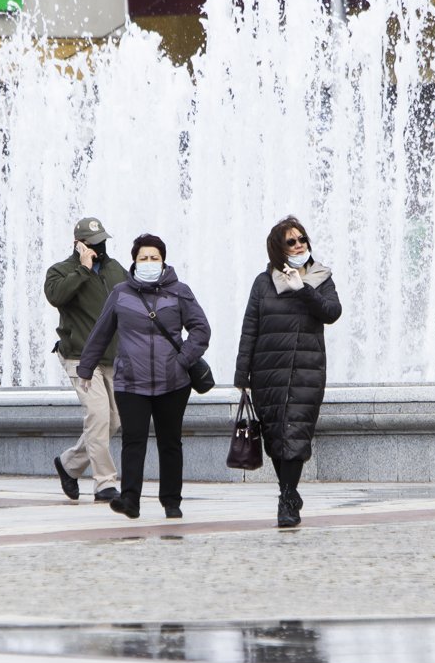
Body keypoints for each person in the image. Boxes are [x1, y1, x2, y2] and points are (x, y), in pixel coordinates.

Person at [77, 234, 210, 520]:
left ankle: (171, 501)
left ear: (163, 261)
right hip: (131, 382)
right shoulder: (121, 293)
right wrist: (85, 368)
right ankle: (130, 500)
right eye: (143, 258)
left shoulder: (179, 292)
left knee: (170, 442)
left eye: (154, 258)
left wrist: (182, 360)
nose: (149, 263)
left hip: (173, 382)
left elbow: (201, 330)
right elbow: (101, 332)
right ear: (134, 261)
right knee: (133, 441)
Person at [235, 217, 342, 528]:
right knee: (275, 439)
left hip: (306, 371)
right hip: (268, 372)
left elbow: (332, 312)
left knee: (295, 434)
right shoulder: (263, 282)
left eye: (302, 240)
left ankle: (287, 500)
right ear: (278, 250)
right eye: (291, 242)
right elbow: (249, 329)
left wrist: (304, 291)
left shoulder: (321, 277)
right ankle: (289, 494)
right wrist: (242, 376)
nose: (299, 246)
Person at [44, 216, 128, 503]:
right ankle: (105, 483)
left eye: (101, 241)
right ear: (78, 244)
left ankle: (69, 464)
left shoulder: (117, 269)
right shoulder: (61, 271)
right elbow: (56, 297)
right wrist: (83, 269)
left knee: (114, 421)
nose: (98, 247)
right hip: (80, 357)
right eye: (92, 243)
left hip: (112, 358)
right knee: (98, 415)